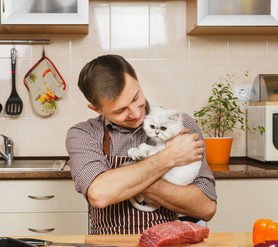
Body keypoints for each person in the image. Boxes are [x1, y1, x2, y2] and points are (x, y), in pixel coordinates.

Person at [66, 54, 217, 234]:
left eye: (135, 98)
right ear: (97, 109)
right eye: (120, 110)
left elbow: (206, 208)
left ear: (136, 77)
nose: (135, 114)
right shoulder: (83, 134)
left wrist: (124, 182)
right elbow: (99, 195)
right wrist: (169, 157)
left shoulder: (180, 125)